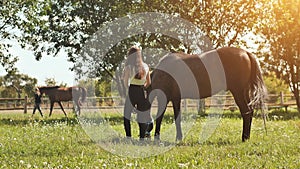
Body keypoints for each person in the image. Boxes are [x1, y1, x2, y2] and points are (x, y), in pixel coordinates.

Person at [123, 46, 153, 140]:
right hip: (141, 92)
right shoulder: (146, 66)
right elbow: (149, 82)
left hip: (132, 91)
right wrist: (143, 87)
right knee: (142, 116)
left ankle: (128, 137)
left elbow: (125, 82)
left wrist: (129, 89)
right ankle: (142, 138)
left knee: (126, 116)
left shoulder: (128, 67)